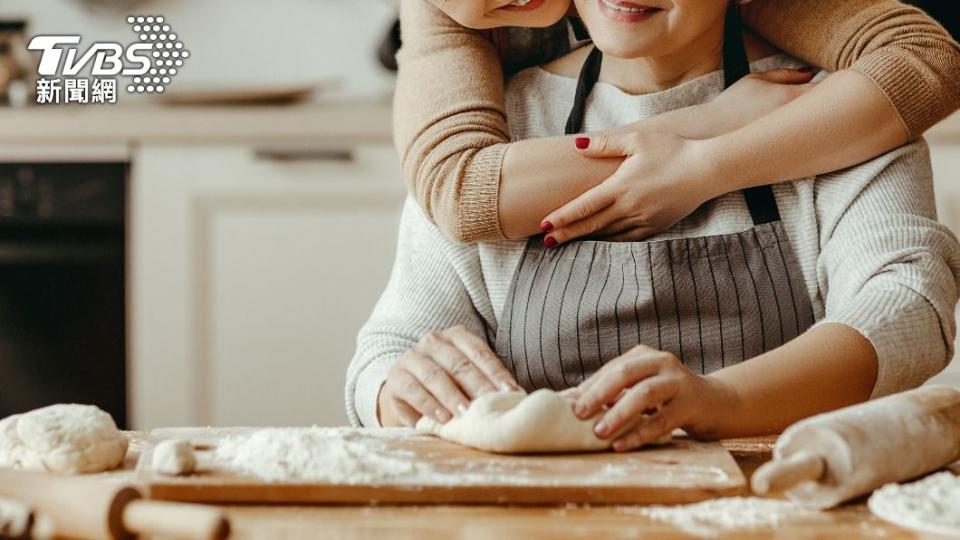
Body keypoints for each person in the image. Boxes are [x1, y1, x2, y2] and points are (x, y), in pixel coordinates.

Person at [347, 0, 960, 452]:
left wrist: (722, 401)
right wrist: (397, 387)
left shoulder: (833, 105)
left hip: (780, 502)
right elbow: (388, 350)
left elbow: (908, 308)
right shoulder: (497, 126)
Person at [394, 0, 960, 245]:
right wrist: (713, 122)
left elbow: (928, 61)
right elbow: (463, 192)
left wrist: (706, 169)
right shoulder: (442, 22)